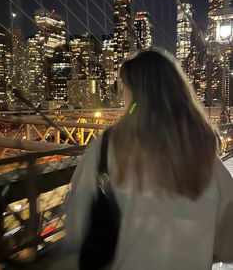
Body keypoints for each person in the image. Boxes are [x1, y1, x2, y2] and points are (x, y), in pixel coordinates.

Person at [67, 49, 233, 269]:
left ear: (133, 94)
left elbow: (78, 221)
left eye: (125, 89)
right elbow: (227, 244)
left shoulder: (105, 147)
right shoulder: (207, 160)